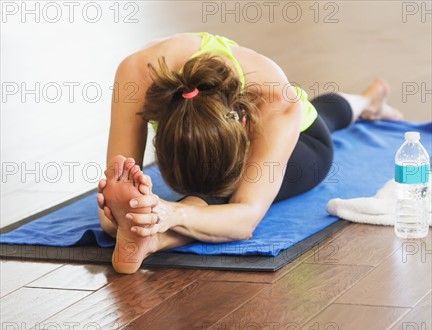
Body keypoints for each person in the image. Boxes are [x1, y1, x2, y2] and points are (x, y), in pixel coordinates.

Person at [97, 31, 403, 273]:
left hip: (307, 144)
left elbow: (244, 219)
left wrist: (166, 212)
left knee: (321, 119)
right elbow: (119, 182)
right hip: (272, 117)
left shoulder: (276, 100)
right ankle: (369, 99)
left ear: (244, 123)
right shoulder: (136, 74)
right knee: (327, 111)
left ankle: (153, 241)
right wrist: (120, 213)